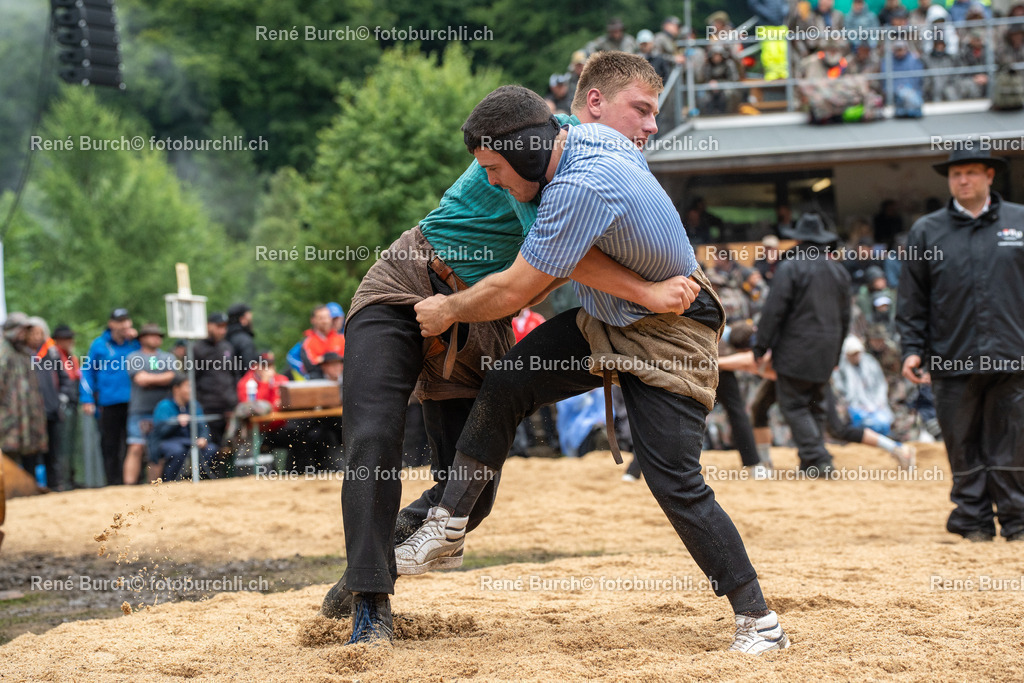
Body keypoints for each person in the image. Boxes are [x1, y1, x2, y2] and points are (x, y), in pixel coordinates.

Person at [402, 75, 788, 654]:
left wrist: (447, 310)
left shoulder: (581, 185)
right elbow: (570, 258)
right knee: (508, 380)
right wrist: (641, 289)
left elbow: (513, 292)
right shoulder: (587, 139)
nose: (491, 183)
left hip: (672, 333)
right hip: (611, 318)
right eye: (643, 111)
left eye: (496, 171)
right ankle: (448, 527)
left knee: (673, 481)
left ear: (527, 153)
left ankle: (759, 621)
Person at [325, 51, 701, 637]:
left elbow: (552, 270)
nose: (651, 126)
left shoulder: (590, 164)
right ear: (596, 103)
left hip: (481, 315)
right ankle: (371, 606)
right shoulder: (534, 154)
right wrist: (649, 292)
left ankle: (362, 568)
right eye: (643, 111)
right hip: (409, 284)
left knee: (472, 493)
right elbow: (554, 266)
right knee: (374, 437)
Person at [897, 148, 1024, 542]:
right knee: (962, 442)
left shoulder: (1019, 222)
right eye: (955, 174)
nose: (962, 180)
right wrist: (912, 347)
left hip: (1013, 357)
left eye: (971, 172)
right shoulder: (926, 231)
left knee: (1013, 442)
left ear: (990, 176)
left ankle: (1018, 520)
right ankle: (973, 522)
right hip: (951, 358)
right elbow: (912, 299)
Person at [752, 214, 851, 474]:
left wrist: (760, 346)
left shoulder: (791, 267)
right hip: (827, 349)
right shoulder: (838, 271)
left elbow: (774, 311)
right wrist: (836, 356)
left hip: (796, 349)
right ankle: (811, 463)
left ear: (798, 239)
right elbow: (846, 318)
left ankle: (818, 457)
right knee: (816, 405)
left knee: (794, 405)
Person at [80, 308, 140, 486]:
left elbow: (151, 359)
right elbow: (87, 373)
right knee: (110, 445)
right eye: (119, 321)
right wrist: (87, 399)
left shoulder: (135, 344)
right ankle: (113, 483)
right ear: (111, 324)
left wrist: (137, 339)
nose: (124, 325)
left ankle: (134, 481)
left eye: (126, 321)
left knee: (134, 444)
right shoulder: (99, 345)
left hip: (134, 403)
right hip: (108, 403)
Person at [124, 324, 177, 485]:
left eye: (159, 336)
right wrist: (163, 378)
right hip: (140, 410)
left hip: (163, 411)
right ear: (142, 338)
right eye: (152, 335)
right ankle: (128, 486)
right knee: (136, 447)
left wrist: (151, 379)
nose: (157, 338)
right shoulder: (134, 357)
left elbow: (173, 376)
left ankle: (152, 486)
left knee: (157, 450)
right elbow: (141, 379)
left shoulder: (169, 357)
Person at [1, 314, 49, 482]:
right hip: (8, 418)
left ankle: (29, 486)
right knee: (8, 455)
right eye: (22, 330)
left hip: (27, 418)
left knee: (29, 453)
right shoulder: (3, 351)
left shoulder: (24, 353)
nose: (24, 334)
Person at [28, 317, 73, 490]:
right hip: (32, 413)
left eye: (40, 332)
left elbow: (65, 378)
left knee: (54, 451)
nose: (37, 336)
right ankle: (32, 486)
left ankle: (56, 484)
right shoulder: (23, 354)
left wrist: (63, 397)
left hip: (52, 410)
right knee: (32, 451)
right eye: (33, 333)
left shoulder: (52, 353)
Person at [151, 375, 218, 481]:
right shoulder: (164, 406)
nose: (191, 390)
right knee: (177, 451)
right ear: (176, 389)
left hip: (189, 441)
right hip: (168, 441)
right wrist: (176, 421)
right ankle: (171, 481)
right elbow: (159, 432)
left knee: (211, 449)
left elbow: (203, 426)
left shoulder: (194, 405)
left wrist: (204, 438)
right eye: (187, 386)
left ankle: (200, 480)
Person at [192, 312, 236, 453]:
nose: (222, 330)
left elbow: (234, 375)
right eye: (219, 326)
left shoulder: (227, 347)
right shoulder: (197, 349)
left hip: (227, 407)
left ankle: (228, 475)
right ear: (208, 326)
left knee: (228, 448)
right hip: (207, 408)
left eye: (224, 327)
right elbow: (192, 379)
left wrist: (234, 400)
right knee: (210, 447)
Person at [52, 324, 81, 489]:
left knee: (70, 444)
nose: (69, 341)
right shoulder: (53, 355)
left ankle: (70, 478)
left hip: (72, 403)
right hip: (61, 406)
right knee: (62, 445)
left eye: (70, 338)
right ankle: (62, 481)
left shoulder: (71, 357)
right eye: (65, 338)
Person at [300, 304, 346, 379]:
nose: (325, 321)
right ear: (313, 320)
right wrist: (335, 359)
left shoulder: (341, 339)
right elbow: (310, 366)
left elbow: (348, 360)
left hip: (343, 379)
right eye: (321, 318)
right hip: (319, 381)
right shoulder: (308, 342)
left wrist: (322, 359)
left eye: (327, 317)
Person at [226, 303, 258, 381]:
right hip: (242, 387)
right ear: (242, 320)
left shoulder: (223, 339)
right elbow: (249, 369)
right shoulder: (245, 341)